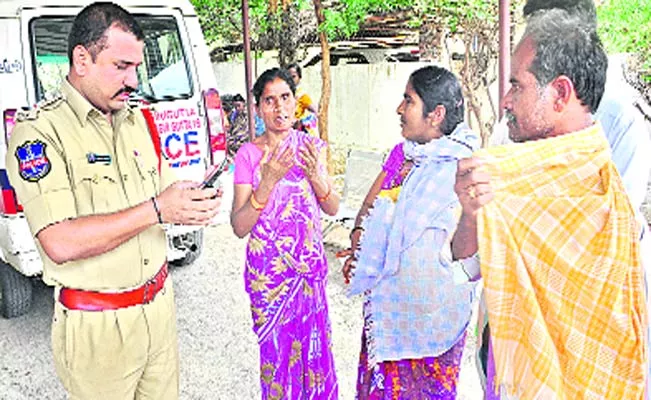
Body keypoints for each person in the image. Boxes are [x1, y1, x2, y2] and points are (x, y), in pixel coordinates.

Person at [5, 3, 222, 399]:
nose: (134, 80)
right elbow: (59, 241)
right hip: (97, 329)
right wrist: (157, 209)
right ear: (82, 59)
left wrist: (193, 200)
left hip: (158, 308)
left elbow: (167, 194)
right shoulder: (39, 133)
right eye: (122, 66)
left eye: (137, 68)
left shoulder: (140, 122)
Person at [452, 9, 647, 399]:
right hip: (508, 373)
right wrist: (471, 215)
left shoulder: (615, 210)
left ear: (559, 93)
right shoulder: (506, 167)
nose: (505, 99)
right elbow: (464, 264)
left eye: (516, 86)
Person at [341, 65, 480, 398]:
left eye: (409, 100)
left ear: (436, 114)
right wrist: (361, 246)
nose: (399, 110)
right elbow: (367, 211)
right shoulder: (401, 156)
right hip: (389, 316)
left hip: (434, 324)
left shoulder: (465, 168)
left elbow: (468, 253)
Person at [230, 67, 340, 398]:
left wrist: (315, 177)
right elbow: (239, 226)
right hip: (271, 279)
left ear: (296, 101)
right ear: (259, 108)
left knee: (314, 359)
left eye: (285, 98)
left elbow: (333, 207)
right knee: (277, 361)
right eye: (269, 101)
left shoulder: (312, 147)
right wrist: (267, 182)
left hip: (308, 276)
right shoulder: (248, 155)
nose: (279, 109)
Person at [287, 63, 319, 137]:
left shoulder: (302, 96)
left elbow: (316, 112)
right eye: (288, 77)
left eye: (293, 77)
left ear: (299, 77)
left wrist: (302, 122)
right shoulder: (284, 95)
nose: (291, 80)